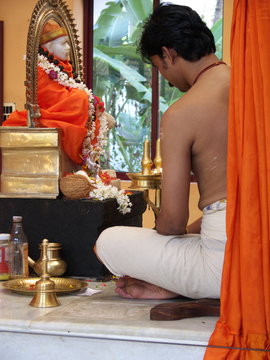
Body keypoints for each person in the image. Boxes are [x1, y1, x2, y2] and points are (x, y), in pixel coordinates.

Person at [94, 3, 230, 300]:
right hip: (258, 252)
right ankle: (174, 282)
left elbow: (172, 224)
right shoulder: (252, 89)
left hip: (225, 271)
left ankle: (172, 285)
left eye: (158, 66)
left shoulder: (182, 113)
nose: (166, 79)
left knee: (106, 242)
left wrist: (160, 232)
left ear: (168, 54)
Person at [3, 21, 114, 168]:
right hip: (51, 116)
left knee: (88, 102)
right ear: (47, 47)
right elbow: (56, 100)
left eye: (68, 43)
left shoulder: (62, 68)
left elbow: (69, 94)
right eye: (63, 43)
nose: (68, 48)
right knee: (81, 98)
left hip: (66, 113)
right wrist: (85, 100)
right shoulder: (41, 70)